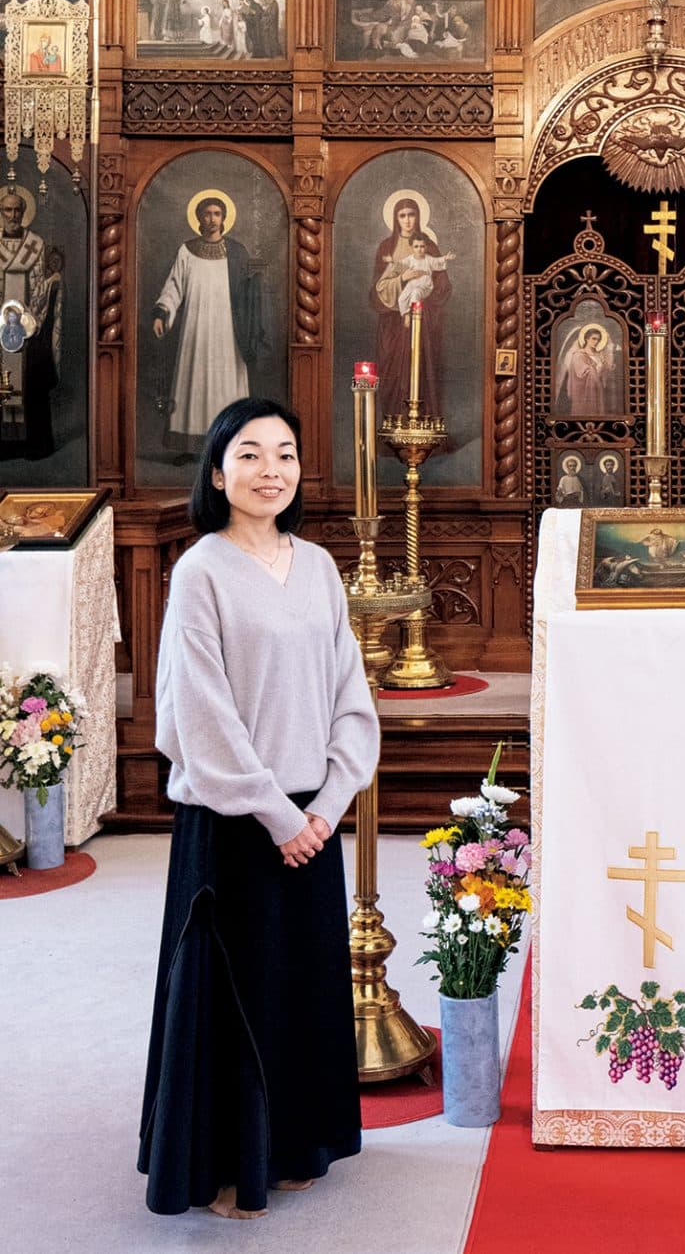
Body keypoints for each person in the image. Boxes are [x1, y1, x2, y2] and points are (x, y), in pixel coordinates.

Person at [138, 399, 378, 1218]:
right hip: (237, 823)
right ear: (216, 471)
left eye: (284, 454)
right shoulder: (198, 569)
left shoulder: (317, 566)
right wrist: (280, 815)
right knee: (235, 994)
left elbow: (351, 695)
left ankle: (296, 1143)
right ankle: (227, 1161)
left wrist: (332, 800)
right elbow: (198, 715)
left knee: (301, 988)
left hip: (313, 819)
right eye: (249, 454)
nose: (270, 469)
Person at [152, 195, 270, 455]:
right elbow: (174, 287)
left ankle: (230, 444)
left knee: (226, 383)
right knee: (192, 381)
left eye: (217, 213)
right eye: (207, 213)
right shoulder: (187, 251)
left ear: (224, 218)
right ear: (198, 218)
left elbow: (250, 292)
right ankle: (188, 445)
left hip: (229, 332)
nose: (212, 218)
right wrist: (162, 313)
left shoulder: (238, 252)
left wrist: (257, 287)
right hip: (195, 330)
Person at [371, 200, 451, 418]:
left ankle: (423, 424)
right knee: (392, 374)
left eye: (411, 214)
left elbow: (443, 286)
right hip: (393, 325)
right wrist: (402, 278)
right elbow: (376, 291)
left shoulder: (429, 247)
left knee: (421, 371)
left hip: (422, 321)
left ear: (419, 217)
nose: (407, 220)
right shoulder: (386, 248)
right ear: (395, 218)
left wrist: (423, 304)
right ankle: (393, 424)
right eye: (402, 215)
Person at [0, 187, 58, 460]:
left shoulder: (35, 244)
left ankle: (32, 444)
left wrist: (26, 321)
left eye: (16, 210)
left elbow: (39, 287)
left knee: (30, 382)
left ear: (24, 213)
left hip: (27, 326)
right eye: (7, 210)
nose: (12, 215)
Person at [554, 321, 614, 416]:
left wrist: (605, 366)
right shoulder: (579, 355)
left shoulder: (600, 356)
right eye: (593, 339)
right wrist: (597, 366)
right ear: (586, 338)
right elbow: (581, 374)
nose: (596, 342)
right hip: (583, 394)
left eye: (598, 339)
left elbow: (604, 377)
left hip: (598, 392)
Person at [396, 244, 456, 314]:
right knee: (401, 299)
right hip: (411, 285)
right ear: (412, 248)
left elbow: (437, 261)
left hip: (424, 285)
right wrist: (392, 262)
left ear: (426, 247)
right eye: (416, 247)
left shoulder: (428, 259)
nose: (419, 249)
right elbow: (401, 264)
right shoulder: (410, 259)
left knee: (416, 293)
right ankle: (405, 316)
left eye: (422, 246)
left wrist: (445, 258)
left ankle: (413, 314)